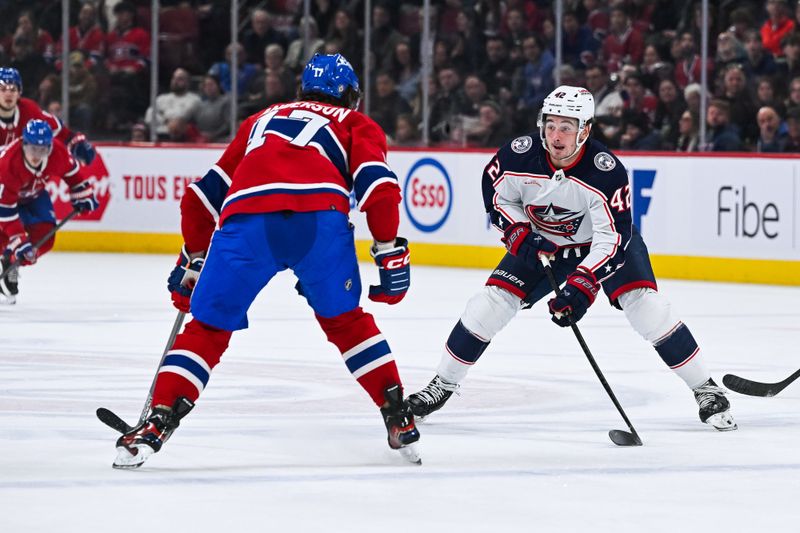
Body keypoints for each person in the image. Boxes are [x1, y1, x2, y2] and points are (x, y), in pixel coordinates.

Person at [112, 54, 421, 469]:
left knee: (207, 328)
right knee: (346, 322)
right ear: (351, 96)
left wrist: (194, 258)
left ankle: (155, 424)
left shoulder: (261, 119)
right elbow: (379, 189)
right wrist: (388, 251)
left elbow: (199, 198)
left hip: (247, 223)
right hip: (318, 222)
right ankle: (396, 413)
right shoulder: (354, 123)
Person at [406, 86, 737, 434]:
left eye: (566, 127)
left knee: (645, 307)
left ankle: (706, 389)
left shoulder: (604, 172)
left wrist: (582, 284)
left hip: (601, 245)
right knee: (489, 304)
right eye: (550, 125)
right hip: (543, 244)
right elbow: (497, 196)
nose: (556, 135)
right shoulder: (518, 155)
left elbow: (612, 239)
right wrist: (518, 232)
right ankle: (441, 385)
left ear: (585, 130)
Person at [0, 119, 98, 304]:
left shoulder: (58, 152)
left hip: (34, 196)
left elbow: (74, 175)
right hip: (4, 200)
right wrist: (18, 239)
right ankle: (8, 254)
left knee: (45, 239)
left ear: (50, 147)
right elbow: (4, 211)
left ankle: (10, 262)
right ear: (24, 144)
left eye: (42, 150)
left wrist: (83, 195)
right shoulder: (7, 165)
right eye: (32, 150)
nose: (36, 156)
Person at [0, 67, 95, 164]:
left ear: (19, 93)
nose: (8, 94)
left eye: (13, 89)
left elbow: (60, 131)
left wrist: (76, 143)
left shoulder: (28, 109)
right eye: (2, 89)